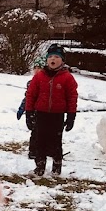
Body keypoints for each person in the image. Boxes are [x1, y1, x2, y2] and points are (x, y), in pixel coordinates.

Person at [24, 43, 78, 176]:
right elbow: (31, 95)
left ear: (62, 60)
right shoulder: (39, 76)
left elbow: (72, 97)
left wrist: (71, 116)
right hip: (41, 114)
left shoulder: (67, 78)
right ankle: (40, 166)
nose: (53, 59)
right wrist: (29, 112)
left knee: (56, 141)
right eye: (51, 57)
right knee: (40, 140)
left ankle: (57, 165)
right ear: (47, 59)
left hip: (57, 115)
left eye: (57, 57)